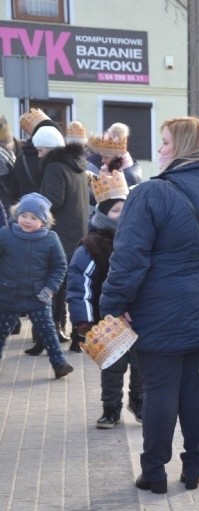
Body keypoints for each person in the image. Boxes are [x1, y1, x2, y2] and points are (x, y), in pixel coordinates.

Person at [100, 117, 199, 494]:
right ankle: (196, 466)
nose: (160, 149)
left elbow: (128, 257)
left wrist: (113, 304)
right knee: (196, 381)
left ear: (181, 147)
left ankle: (154, 472)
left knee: (161, 387)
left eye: (165, 142)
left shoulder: (153, 193)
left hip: (160, 305)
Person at [67, 169, 143, 428]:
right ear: (102, 213)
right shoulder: (92, 245)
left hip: (140, 317)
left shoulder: (142, 239)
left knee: (142, 365)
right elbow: (80, 286)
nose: (121, 217)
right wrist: (84, 322)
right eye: (115, 211)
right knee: (111, 367)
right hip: (107, 320)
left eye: (125, 210)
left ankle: (139, 401)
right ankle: (111, 408)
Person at [27, 124, 90, 353]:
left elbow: (54, 200)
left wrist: (34, 209)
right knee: (71, 291)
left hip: (58, 238)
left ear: (49, 148)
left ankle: (48, 335)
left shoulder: (55, 167)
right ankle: (73, 337)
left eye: (40, 150)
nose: (39, 155)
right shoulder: (78, 166)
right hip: (77, 237)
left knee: (51, 288)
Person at [0, 193, 73, 379]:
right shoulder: (5, 234)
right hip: (8, 295)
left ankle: (59, 364)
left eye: (34, 218)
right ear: (17, 214)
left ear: (44, 221)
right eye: (23, 215)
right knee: (1, 332)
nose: (27, 221)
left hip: (38, 296)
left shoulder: (50, 239)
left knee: (48, 332)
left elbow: (59, 266)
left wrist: (49, 289)